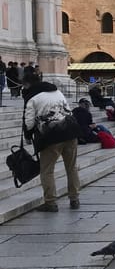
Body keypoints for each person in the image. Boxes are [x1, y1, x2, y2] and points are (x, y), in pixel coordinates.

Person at [22, 71, 82, 212]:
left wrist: (28, 135)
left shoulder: (32, 98)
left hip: (51, 137)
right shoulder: (57, 91)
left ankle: (50, 202)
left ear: (27, 84)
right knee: (71, 167)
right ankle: (74, 199)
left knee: (47, 170)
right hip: (71, 132)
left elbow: (29, 123)